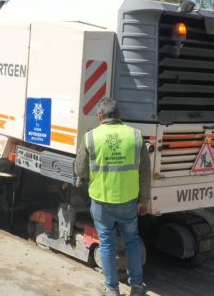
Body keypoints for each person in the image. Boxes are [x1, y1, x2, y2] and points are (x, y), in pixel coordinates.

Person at [75, 97, 151, 296]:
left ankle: (112, 289)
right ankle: (136, 287)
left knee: (107, 244)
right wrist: (144, 200)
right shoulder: (135, 136)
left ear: (100, 117)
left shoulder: (90, 137)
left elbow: (80, 170)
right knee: (132, 241)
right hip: (128, 201)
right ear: (120, 116)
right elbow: (145, 172)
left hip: (102, 201)